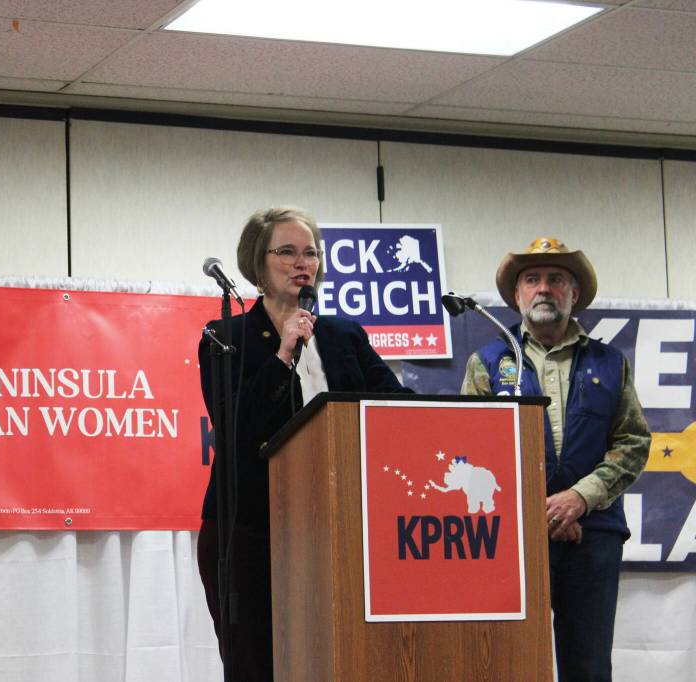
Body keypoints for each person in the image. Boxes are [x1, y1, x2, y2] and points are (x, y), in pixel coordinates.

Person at [196, 207, 411, 681]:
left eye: (310, 253)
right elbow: (237, 431)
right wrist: (282, 352)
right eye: (287, 252)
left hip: (337, 526)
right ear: (258, 262)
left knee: (335, 661)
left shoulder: (344, 336)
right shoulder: (226, 337)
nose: (303, 263)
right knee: (258, 665)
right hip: (249, 531)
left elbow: (399, 407)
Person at [461, 237, 650, 682]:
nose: (544, 288)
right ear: (517, 295)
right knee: (506, 663)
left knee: (587, 666)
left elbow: (633, 442)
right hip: (509, 539)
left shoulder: (610, 362)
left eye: (556, 280)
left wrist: (579, 500)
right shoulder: (486, 363)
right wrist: (538, 512)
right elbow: (471, 452)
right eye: (532, 280)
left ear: (574, 294)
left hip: (593, 536)